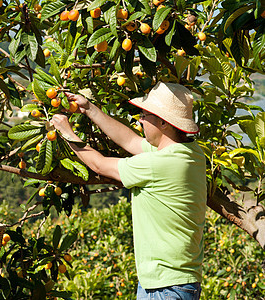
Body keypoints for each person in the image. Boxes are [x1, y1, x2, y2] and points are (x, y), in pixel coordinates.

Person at [51, 82, 206, 300]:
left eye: (145, 115)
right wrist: (89, 109)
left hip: (164, 288)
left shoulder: (160, 164)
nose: (140, 120)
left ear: (163, 122)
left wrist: (67, 132)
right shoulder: (191, 152)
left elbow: (99, 165)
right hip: (176, 282)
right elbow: (131, 141)